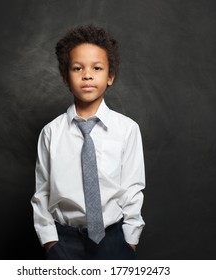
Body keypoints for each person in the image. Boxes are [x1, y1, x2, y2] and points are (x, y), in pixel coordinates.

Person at [31, 24, 145, 259]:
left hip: (113, 238)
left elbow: (133, 188)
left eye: (97, 68)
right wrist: (50, 242)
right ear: (65, 77)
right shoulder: (51, 133)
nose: (87, 74)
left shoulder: (127, 129)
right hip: (64, 240)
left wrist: (130, 240)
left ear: (110, 76)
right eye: (77, 68)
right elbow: (42, 192)